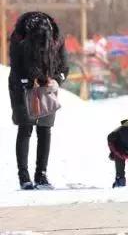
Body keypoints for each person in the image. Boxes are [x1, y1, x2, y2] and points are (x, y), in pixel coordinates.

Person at [8, 12, 68, 190]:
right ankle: (24, 176)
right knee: (25, 127)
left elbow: (64, 66)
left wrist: (56, 80)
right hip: (22, 84)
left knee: (45, 129)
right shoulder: (19, 37)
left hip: (47, 84)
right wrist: (27, 82)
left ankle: (41, 174)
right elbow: (16, 66)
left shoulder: (57, 38)